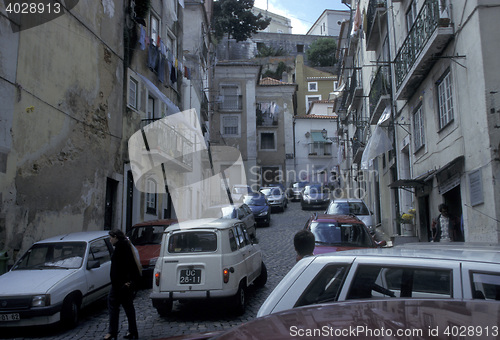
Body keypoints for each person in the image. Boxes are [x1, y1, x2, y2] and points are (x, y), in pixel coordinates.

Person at [104, 229, 141, 340]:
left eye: (111, 238)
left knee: (115, 307)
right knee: (127, 307)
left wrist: (127, 282)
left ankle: (113, 332)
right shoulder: (124, 246)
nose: (110, 240)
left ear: (116, 237)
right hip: (122, 284)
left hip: (121, 285)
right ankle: (132, 331)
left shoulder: (121, 248)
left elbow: (126, 267)